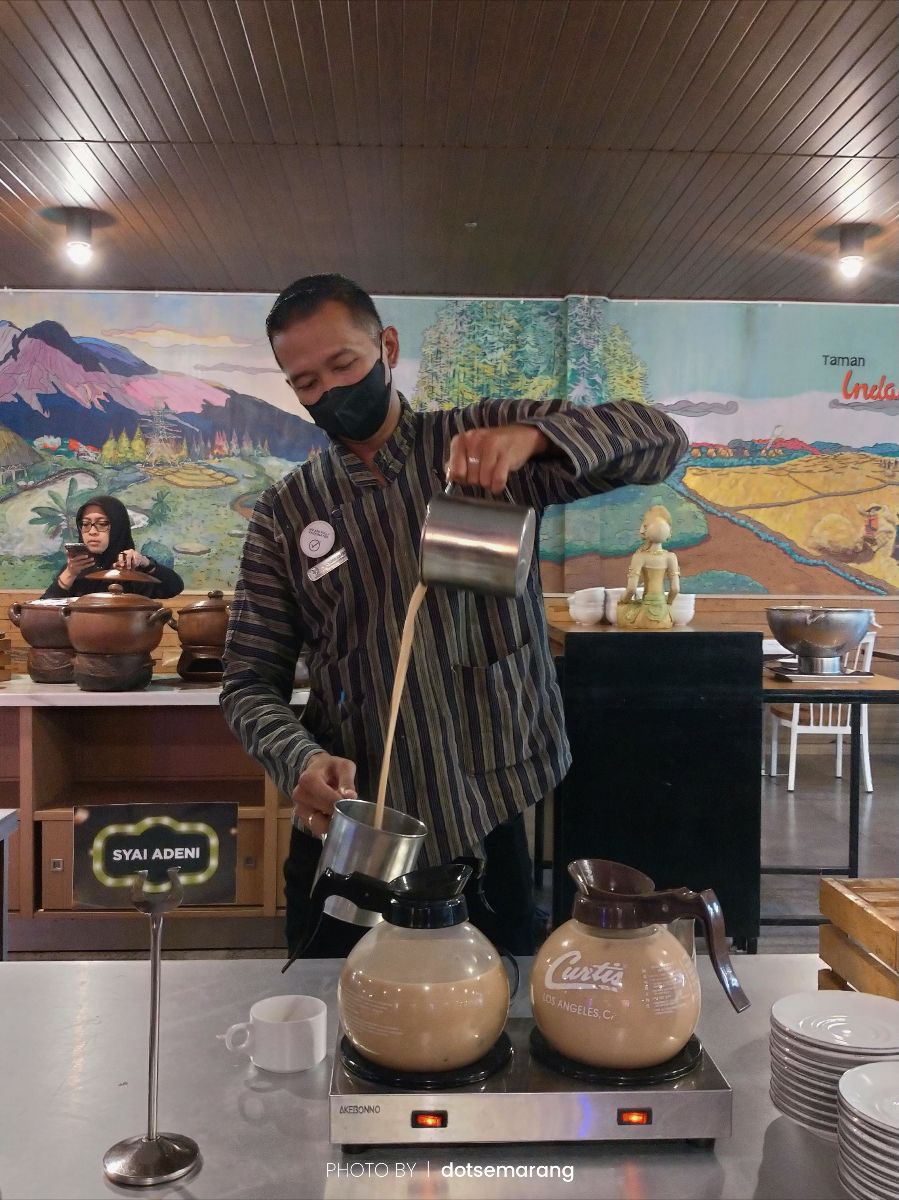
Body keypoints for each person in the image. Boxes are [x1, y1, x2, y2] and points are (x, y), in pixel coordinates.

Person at [220, 274, 688, 958]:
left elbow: (662, 439)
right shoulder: (288, 512)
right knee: (342, 1003)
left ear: (387, 347)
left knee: (494, 1000)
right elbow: (246, 682)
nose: (330, 392)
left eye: (343, 365)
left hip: (488, 800)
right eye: (306, 383)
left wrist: (534, 438)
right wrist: (301, 759)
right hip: (358, 821)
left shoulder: (477, 444)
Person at [41, 495, 184, 599]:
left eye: (102, 524)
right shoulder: (76, 567)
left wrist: (146, 563)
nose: (92, 531)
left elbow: (174, 588)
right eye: (85, 524)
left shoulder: (133, 566)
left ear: (118, 527)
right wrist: (69, 574)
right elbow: (43, 612)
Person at [617, 504, 680, 629]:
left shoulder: (639, 557)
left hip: (643, 615)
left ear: (646, 529)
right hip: (665, 617)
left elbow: (631, 589)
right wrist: (667, 604)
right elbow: (675, 589)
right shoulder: (671, 557)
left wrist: (623, 600)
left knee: (621, 609)